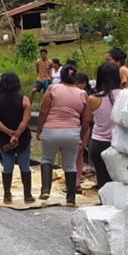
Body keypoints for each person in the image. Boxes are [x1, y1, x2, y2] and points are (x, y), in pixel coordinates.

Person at [36, 64, 91, 206]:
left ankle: (45, 189)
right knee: (70, 165)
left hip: (51, 130)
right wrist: (81, 134)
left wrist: (39, 129)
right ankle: (71, 198)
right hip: (71, 132)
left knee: (47, 159)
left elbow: (43, 112)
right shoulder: (82, 94)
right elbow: (86, 119)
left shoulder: (52, 89)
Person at [0, 72, 34, 205]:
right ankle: (27, 195)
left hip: (5, 139)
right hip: (23, 138)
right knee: (24, 164)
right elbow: (26, 121)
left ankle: (7, 195)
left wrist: (8, 132)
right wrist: (17, 134)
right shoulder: (24, 100)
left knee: (7, 166)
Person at [88, 63, 122, 189]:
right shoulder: (126, 95)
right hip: (120, 144)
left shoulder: (93, 99)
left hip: (99, 143)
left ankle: (105, 206)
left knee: (103, 182)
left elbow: (87, 121)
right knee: (120, 181)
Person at [72, 72, 94, 190]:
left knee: (74, 155)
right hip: (83, 128)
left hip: (82, 128)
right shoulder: (82, 94)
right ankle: (77, 180)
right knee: (79, 156)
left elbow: (86, 118)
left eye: (77, 84)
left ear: (84, 84)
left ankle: (74, 182)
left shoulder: (86, 96)